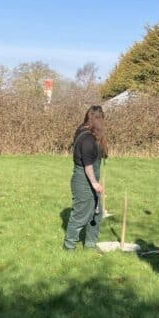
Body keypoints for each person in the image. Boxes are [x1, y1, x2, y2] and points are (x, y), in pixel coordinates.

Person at [63, 105, 107, 250]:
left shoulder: (88, 132)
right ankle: (69, 245)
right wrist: (94, 183)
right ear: (98, 119)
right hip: (83, 180)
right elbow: (88, 166)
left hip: (89, 178)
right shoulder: (87, 138)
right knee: (80, 215)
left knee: (96, 214)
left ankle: (90, 244)